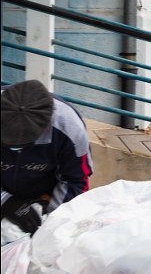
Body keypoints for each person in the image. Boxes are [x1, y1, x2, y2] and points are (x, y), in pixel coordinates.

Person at [1, 79, 93, 236]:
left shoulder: (69, 128)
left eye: (21, 145)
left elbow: (76, 181)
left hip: (44, 196)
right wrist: (5, 201)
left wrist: (51, 225)